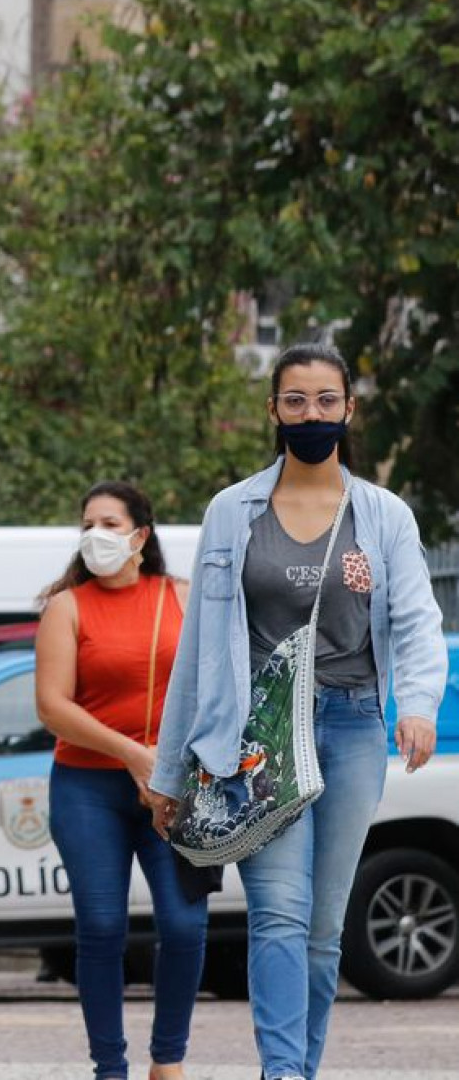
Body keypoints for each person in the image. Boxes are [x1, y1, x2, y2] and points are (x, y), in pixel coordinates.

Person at [147, 344, 446, 1080]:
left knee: (320, 929)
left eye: (323, 400)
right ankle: (281, 1073)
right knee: (277, 913)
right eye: (294, 401)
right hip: (257, 738)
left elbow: (414, 621)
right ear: (273, 410)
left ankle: (296, 1072)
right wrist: (166, 769)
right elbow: (198, 652)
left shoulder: (383, 515)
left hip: (349, 727)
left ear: (348, 409)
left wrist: (415, 706)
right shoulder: (231, 512)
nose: (309, 414)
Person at [34, 482, 205, 1080]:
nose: (95, 535)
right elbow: (52, 707)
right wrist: (135, 755)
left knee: (185, 924)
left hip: (174, 790)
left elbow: (217, 685)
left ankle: (168, 1058)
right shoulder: (67, 605)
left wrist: (173, 763)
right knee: (102, 927)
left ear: (141, 535)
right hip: (87, 788)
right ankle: (110, 1066)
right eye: (87, 524)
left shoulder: (182, 596)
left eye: (109, 523)